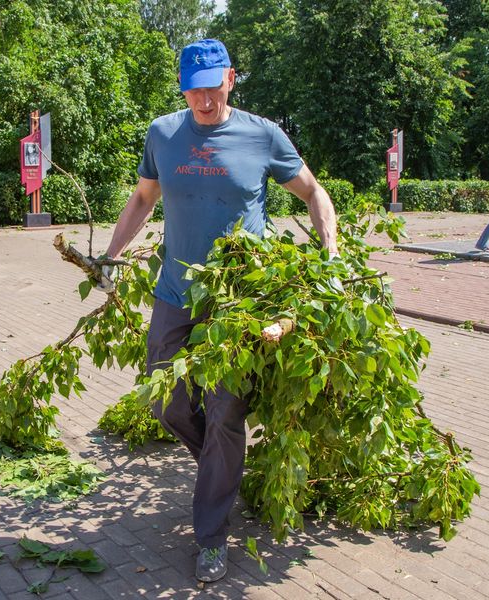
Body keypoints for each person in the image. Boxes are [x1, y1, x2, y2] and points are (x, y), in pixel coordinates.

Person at [98, 39, 338, 583]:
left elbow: (312, 191)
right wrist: (110, 257)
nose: (203, 99)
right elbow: (142, 199)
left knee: (226, 413)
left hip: (239, 302)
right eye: (193, 88)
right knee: (165, 402)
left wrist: (332, 251)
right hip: (175, 292)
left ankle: (211, 534)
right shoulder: (163, 133)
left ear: (231, 77)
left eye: (212, 85)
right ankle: (223, 465)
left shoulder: (262, 134)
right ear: (182, 86)